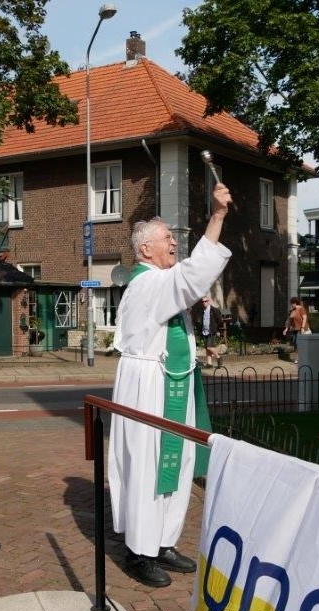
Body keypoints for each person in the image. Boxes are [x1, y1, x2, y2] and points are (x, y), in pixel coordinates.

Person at [108, 183, 233, 588]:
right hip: (148, 388)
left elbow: (182, 290)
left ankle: (161, 542)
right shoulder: (147, 283)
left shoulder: (159, 283)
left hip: (171, 383)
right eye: (167, 239)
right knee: (148, 467)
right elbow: (190, 278)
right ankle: (138, 552)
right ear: (145, 249)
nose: (174, 244)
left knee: (174, 466)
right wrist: (216, 217)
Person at [198, 295, 224, 367]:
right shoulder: (203, 311)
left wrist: (218, 330)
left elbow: (220, 321)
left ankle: (219, 357)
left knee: (209, 347)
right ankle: (209, 363)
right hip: (205, 332)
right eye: (203, 301)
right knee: (207, 348)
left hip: (212, 332)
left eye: (206, 301)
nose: (204, 302)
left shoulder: (214, 310)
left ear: (208, 301)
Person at [282, 297, 309, 363]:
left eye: (292, 303)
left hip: (301, 329)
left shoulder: (301, 309)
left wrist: (302, 327)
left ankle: (300, 358)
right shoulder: (292, 311)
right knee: (294, 344)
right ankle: (298, 358)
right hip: (294, 329)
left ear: (295, 303)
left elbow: (304, 318)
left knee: (298, 343)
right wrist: (286, 329)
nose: (291, 305)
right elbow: (289, 321)